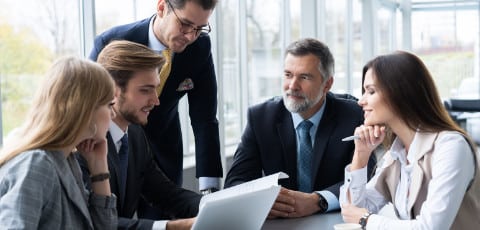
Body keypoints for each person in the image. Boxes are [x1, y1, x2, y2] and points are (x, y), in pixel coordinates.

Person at [89, 0, 222, 218]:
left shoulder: (199, 47)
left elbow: (205, 118)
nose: (190, 36)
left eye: (199, 29)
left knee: (166, 207)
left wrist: (212, 194)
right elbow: (89, 104)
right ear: (161, 8)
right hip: (107, 148)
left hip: (162, 148)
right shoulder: (111, 42)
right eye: (185, 24)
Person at [224, 38, 372, 219]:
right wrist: (263, 201)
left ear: (327, 84)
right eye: (288, 75)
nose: (292, 86)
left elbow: (367, 178)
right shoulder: (261, 118)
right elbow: (235, 183)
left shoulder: (354, 116)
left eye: (304, 77)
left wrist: (318, 200)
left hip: (336, 220)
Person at [339, 51, 480, 229]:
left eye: (371, 91)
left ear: (400, 93)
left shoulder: (450, 146)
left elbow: (430, 227)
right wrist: (361, 155)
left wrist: (367, 220)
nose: (361, 101)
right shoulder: (397, 153)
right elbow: (352, 210)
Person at [77, 40, 201, 230]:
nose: (156, 101)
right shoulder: (83, 144)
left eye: (155, 88)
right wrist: (172, 228)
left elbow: (165, 193)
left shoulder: (134, 135)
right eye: (145, 90)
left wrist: (216, 206)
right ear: (113, 91)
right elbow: (91, 221)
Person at [0, 57, 117, 229]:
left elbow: (104, 227)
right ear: (85, 109)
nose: (113, 114)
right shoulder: (37, 164)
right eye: (109, 105)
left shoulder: (66, 160)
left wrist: (99, 168)